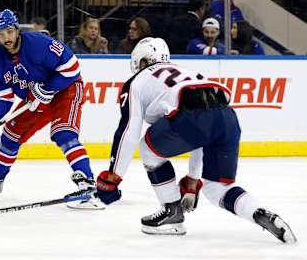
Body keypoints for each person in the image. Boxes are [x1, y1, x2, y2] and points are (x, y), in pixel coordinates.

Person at [87, 37, 297, 243]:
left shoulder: (137, 82)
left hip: (193, 119)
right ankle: (260, 213)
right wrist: (194, 179)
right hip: (227, 118)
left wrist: (113, 178)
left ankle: (172, 212)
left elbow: (128, 132)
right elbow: (201, 131)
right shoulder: (187, 72)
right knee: (216, 189)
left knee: (147, 148)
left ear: (142, 61)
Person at [0, 9, 103, 209]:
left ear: (17, 29)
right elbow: (2, 99)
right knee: (11, 133)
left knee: (63, 132)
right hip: (35, 98)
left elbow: (72, 68)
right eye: (0, 34)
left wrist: (48, 89)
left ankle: (88, 186)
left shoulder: (39, 44)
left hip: (66, 89)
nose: (6, 38)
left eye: (9, 32)